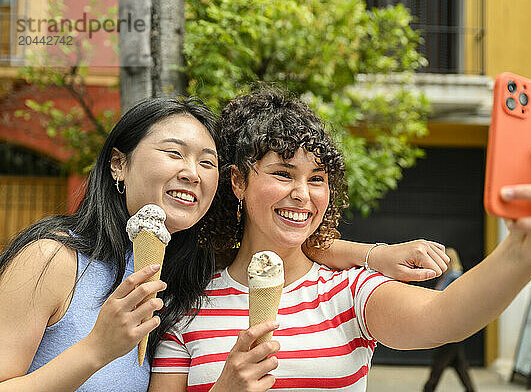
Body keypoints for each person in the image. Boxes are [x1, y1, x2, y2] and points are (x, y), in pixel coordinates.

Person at [0, 96, 447, 392]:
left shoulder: (183, 270)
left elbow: (286, 244)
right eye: (174, 153)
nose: (192, 172)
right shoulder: (53, 258)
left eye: (207, 161)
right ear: (118, 163)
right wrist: (95, 349)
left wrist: (373, 255)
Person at [149, 87, 531, 392]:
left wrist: (522, 254)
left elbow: (445, 316)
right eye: (283, 173)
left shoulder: (348, 290)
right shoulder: (186, 306)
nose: (302, 193)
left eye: (317, 179)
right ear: (239, 182)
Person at [423, 248, 476, 392]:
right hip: (449, 324)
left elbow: (453, 299)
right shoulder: (448, 276)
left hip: (451, 325)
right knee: (459, 364)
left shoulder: (455, 276)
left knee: (439, 362)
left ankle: (428, 389)